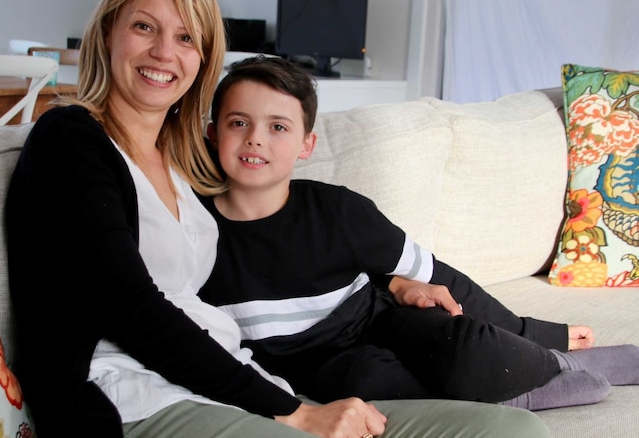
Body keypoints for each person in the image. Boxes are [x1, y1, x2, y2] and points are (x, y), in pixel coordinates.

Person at [5, 0, 554, 438]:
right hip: (131, 397)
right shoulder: (71, 141)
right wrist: (290, 410)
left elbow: (279, 237)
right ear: (106, 35)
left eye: (186, 38)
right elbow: (133, 310)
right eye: (144, 27)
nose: (163, 52)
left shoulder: (184, 161)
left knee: (514, 430)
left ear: (203, 59)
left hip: (238, 386)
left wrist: (394, 281)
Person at [199, 54, 639, 412]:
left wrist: (536, 331)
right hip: (316, 365)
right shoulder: (193, 231)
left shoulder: (339, 210)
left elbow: (436, 274)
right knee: (366, 380)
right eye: (239, 123)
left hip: (381, 319)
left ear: (306, 145)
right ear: (213, 132)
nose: (256, 139)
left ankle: (555, 362)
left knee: (459, 336)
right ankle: (524, 392)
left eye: (278, 127)